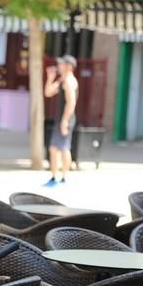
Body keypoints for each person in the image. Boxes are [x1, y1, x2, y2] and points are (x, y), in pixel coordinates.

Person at [44, 54, 79, 187]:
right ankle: (55, 177)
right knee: (56, 148)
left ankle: (63, 177)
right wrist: (50, 79)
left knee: (62, 148)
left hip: (66, 119)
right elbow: (48, 92)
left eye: (62, 64)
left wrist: (65, 121)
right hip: (62, 119)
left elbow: (71, 103)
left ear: (69, 66)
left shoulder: (69, 81)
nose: (59, 66)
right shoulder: (63, 80)